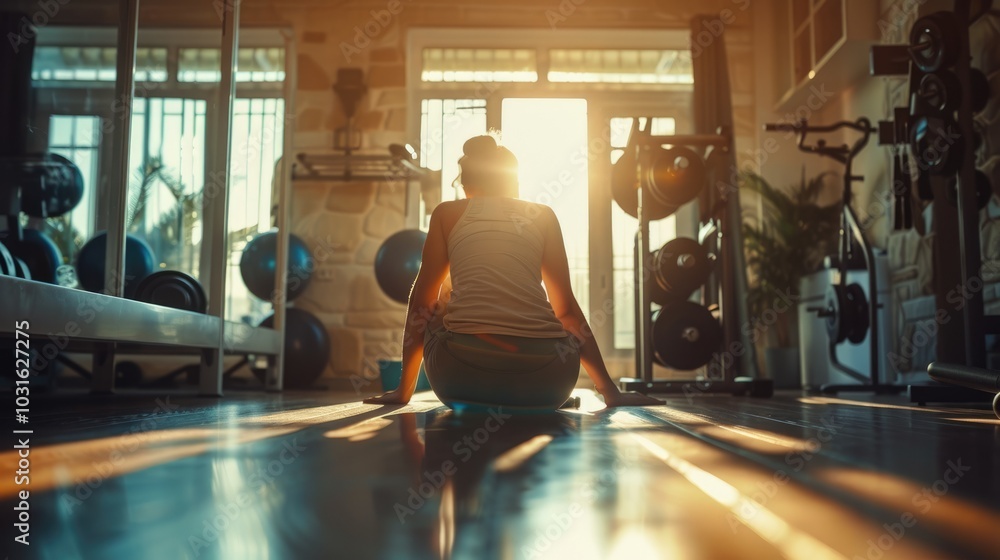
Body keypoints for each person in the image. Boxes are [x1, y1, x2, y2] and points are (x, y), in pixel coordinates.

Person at [364, 135, 661, 410]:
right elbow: (567, 311)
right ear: (512, 182)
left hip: (461, 379)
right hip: (550, 383)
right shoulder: (543, 215)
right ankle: (527, 398)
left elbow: (420, 306)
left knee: (438, 296)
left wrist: (403, 393)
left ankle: (474, 392)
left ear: (466, 184)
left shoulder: (446, 213)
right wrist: (610, 391)